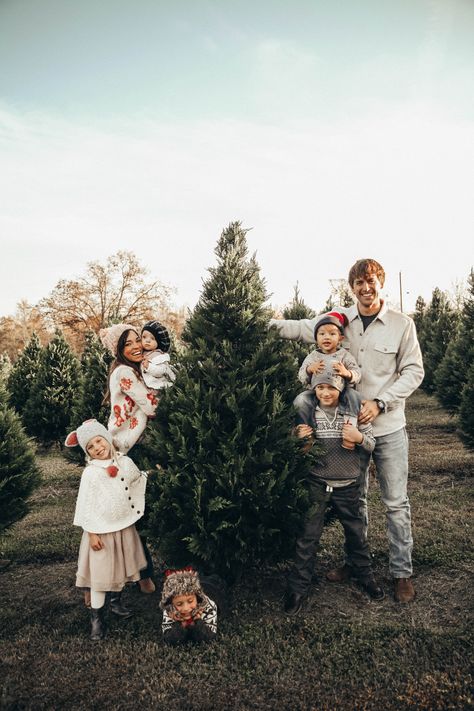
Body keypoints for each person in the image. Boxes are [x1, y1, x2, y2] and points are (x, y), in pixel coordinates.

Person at [271, 259, 424, 603]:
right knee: (356, 503)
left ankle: (401, 573)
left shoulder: (402, 325)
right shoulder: (340, 319)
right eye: (358, 283)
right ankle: (357, 563)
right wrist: (257, 322)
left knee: (395, 502)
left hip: (387, 428)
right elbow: (300, 328)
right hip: (345, 433)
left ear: (380, 283)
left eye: (371, 282)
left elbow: (414, 371)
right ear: (352, 287)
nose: (365, 289)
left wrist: (381, 402)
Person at [283, 368, 384, 614]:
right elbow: (292, 447)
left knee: (356, 533)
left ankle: (365, 577)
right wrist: (296, 438)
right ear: (314, 390)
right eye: (320, 388)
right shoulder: (309, 415)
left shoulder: (353, 414)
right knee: (308, 536)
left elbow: (371, 444)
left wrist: (358, 437)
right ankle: (299, 588)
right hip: (317, 482)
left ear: (341, 389)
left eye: (331, 387)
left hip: (348, 484)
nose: (325, 392)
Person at [65, 419, 148, 641]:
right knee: (101, 576)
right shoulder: (91, 474)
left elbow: (137, 481)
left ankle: (116, 602)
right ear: (86, 451)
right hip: (100, 531)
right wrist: (92, 533)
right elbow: (85, 504)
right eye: (90, 446)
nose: (97, 448)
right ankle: (97, 620)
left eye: (99, 441)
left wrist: (151, 475)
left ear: (107, 438)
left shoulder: (125, 462)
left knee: (120, 567)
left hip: (123, 527)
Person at [100, 323, 159, 593]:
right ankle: (141, 574)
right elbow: (150, 405)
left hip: (133, 446)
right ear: (119, 350)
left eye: (138, 340)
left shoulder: (132, 369)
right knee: (137, 512)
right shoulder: (124, 372)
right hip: (127, 449)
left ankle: (139, 572)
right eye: (128, 344)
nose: (136, 346)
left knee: (136, 512)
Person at [294, 311, 361, 424]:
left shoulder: (344, 355)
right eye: (322, 334)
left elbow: (357, 374)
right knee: (301, 400)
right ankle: (304, 428)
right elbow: (301, 376)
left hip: (341, 391)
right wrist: (309, 369)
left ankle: (350, 426)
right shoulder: (313, 356)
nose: (326, 337)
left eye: (332, 334)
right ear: (316, 338)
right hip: (317, 391)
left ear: (340, 338)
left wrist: (347, 373)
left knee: (354, 396)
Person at [160, 567, 218, 645]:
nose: (186, 608)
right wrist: (181, 624)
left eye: (190, 601)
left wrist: (197, 622)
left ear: (197, 597)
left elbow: (209, 638)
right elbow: (169, 640)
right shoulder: (169, 610)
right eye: (179, 604)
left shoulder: (209, 606)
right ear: (171, 603)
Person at [141, 320, 176, 392]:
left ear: (159, 342)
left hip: (158, 386)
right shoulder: (141, 353)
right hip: (145, 386)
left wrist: (149, 366)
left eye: (152, 338)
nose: (147, 341)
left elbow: (161, 371)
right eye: (144, 337)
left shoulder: (158, 356)